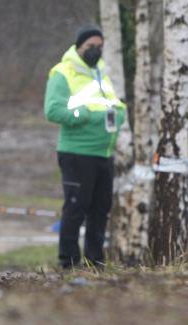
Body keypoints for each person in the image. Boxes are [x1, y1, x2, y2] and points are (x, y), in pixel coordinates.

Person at [44, 24, 126, 270]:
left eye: (100, 47)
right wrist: (85, 115)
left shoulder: (101, 72)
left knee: (101, 209)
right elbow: (53, 110)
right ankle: (67, 261)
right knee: (76, 207)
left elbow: (113, 104)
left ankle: (95, 261)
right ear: (79, 47)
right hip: (77, 153)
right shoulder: (63, 72)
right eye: (91, 46)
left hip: (104, 152)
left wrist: (120, 114)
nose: (96, 51)